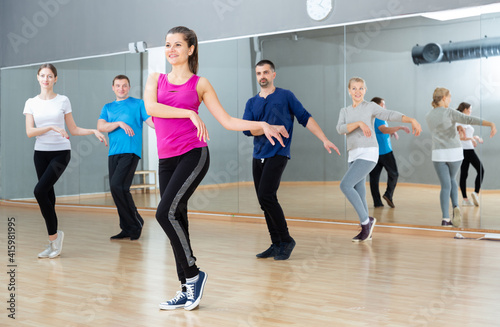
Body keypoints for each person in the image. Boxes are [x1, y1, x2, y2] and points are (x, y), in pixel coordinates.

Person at [143, 26, 288, 311]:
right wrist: (187, 112)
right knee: (177, 219)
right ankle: (187, 288)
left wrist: (261, 125)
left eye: (177, 45)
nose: (171, 50)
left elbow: (228, 120)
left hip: (193, 154)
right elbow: (151, 108)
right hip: (166, 159)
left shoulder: (200, 83)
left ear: (191, 49)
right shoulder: (155, 79)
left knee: (164, 212)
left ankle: (194, 275)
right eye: (167, 45)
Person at [243, 59, 340, 261]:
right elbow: (248, 130)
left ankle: (286, 240)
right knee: (264, 200)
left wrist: (324, 139)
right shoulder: (251, 103)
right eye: (259, 73)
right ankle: (276, 243)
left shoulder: (285, 96)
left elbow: (305, 118)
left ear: (273, 74)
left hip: (278, 153)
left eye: (266, 72)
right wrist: (264, 126)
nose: (262, 76)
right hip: (257, 156)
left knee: (266, 195)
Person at [24, 63, 107, 259]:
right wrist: (52, 127)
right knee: (48, 198)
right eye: (43, 75)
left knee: (39, 191)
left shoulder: (63, 100)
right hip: (40, 153)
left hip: (61, 152)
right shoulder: (31, 102)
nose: (46, 79)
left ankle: (55, 237)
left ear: (55, 79)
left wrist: (93, 130)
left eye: (50, 76)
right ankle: (53, 242)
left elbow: (74, 129)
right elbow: (30, 132)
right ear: (38, 78)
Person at [336, 77, 421, 242]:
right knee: (359, 190)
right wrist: (359, 123)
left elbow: (389, 114)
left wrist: (411, 119)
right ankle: (366, 227)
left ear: (365, 90)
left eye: (361, 88)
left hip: (369, 152)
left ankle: (366, 223)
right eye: (354, 88)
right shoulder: (344, 111)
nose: (357, 92)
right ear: (349, 91)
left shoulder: (370, 107)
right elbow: (340, 129)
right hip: (353, 153)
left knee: (345, 185)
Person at [425, 88, 496, 227]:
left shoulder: (428, 115)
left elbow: (442, 129)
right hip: (454, 153)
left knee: (445, 185)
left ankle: (445, 219)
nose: (451, 99)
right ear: (444, 98)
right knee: (452, 179)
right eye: (449, 96)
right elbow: (469, 119)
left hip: (439, 153)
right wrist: (490, 124)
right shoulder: (450, 112)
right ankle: (456, 205)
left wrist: (456, 128)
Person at [97, 75, 155, 240]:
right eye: (118, 86)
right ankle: (127, 227)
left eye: (124, 86)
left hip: (130, 151)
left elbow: (152, 122)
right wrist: (119, 123)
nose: (121, 88)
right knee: (117, 190)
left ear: (129, 87)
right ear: (113, 88)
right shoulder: (107, 107)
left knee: (118, 186)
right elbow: (101, 126)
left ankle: (136, 224)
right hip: (113, 153)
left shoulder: (138, 104)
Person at [369, 97, 410, 208]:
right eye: (383, 104)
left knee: (374, 178)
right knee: (394, 173)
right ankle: (388, 194)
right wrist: (400, 127)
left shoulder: (372, 117)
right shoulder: (379, 116)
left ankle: (377, 202)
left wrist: (391, 132)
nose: (385, 107)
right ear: (377, 106)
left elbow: (381, 131)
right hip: (385, 152)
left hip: (374, 152)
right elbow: (383, 129)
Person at [456, 102, 484, 207]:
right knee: (481, 170)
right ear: (465, 109)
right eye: (470, 109)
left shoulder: (465, 121)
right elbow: (460, 137)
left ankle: (465, 199)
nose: (471, 111)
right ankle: (475, 193)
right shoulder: (460, 121)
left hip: (466, 149)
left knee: (464, 174)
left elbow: (467, 135)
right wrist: (472, 139)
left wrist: (474, 137)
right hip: (467, 150)